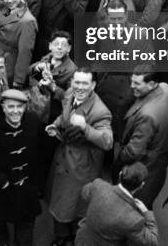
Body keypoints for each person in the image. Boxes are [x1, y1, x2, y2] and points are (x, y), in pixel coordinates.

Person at [46, 68, 113, 245]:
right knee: (61, 202)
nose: (80, 87)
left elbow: (107, 142)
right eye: (77, 82)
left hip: (81, 168)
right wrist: (56, 124)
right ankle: (61, 236)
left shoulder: (100, 111)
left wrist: (86, 128)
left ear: (93, 85)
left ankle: (73, 238)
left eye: (85, 83)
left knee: (76, 206)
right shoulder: (70, 94)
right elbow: (65, 114)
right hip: (63, 160)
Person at [0, 89, 42, 246]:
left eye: (20, 106)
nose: (16, 111)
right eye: (11, 107)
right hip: (2, 190)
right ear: (3, 107)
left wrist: (37, 180)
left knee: (25, 229)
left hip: (26, 187)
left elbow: (41, 150)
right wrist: (2, 182)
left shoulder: (33, 121)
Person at [115, 66, 168, 208]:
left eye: (136, 83)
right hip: (160, 159)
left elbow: (133, 152)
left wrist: (119, 159)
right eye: (131, 81)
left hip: (146, 165)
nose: (131, 86)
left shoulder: (147, 115)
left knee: (135, 207)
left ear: (152, 84)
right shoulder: (165, 88)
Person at [75, 162, 159, 246]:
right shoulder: (134, 219)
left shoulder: (98, 185)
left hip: (83, 240)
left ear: (120, 174)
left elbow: (85, 192)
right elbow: (152, 241)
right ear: (141, 185)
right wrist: (146, 212)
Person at [0, 0, 38, 88]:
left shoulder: (27, 21)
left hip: (9, 64)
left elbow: (25, 53)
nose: (9, 0)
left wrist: (19, 80)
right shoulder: (6, 8)